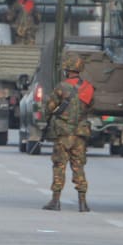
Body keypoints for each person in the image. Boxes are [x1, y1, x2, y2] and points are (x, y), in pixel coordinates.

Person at [42, 54, 95, 213]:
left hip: (63, 134)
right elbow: (90, 107)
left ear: (67, 70)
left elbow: (49, 108)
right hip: (79, 135)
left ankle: (55, 201)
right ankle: (83, 203)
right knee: (79, 167)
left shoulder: (61, 87)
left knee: (59, 166)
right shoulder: (88, 88)